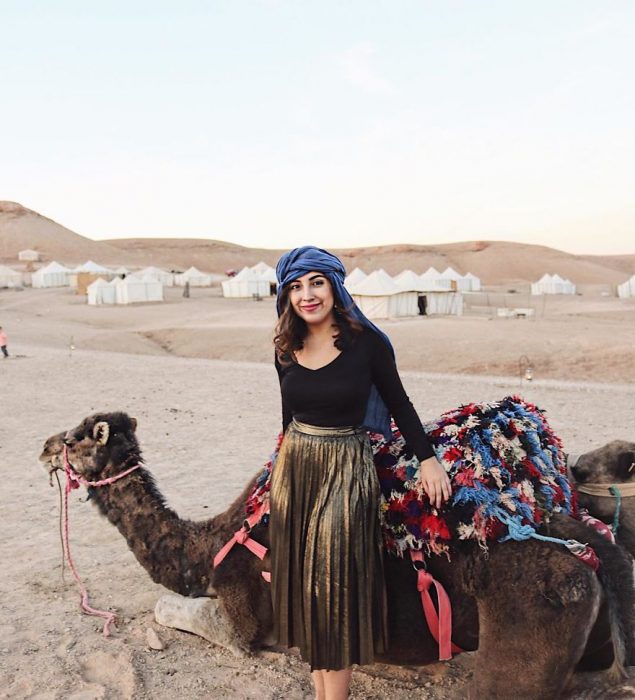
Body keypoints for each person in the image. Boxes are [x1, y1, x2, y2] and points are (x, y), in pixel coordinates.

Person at [269, 246, 451, 700]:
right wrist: (277, 471)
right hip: (296, 471)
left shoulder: (365, 342)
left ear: (334, 286)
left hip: (347, 467)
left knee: (334, 586)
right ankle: (320, 693)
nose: (306, 295)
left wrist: (428, 460)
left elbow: (398, 402)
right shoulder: (285, 346)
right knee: (305, 588)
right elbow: (287, 414)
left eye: (315, 282)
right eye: (295, 286)